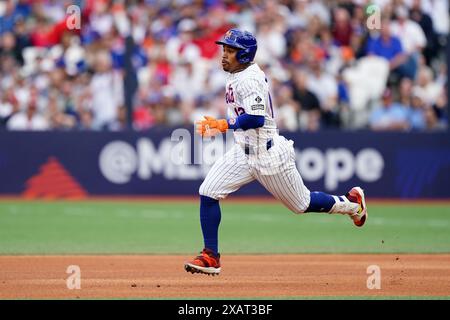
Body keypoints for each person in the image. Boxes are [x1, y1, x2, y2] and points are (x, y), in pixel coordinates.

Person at [184, 29, 368, 276]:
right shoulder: (236, 74)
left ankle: (352, 203)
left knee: (301, 204)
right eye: (224, 49)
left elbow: (256, 118)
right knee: (208, 192)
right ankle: (211, 256)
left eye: (230, 50)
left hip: (268, 154)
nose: (224, 54)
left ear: (245, 54)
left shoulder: (249, 78)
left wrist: (223, 125)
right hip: (243, 152)